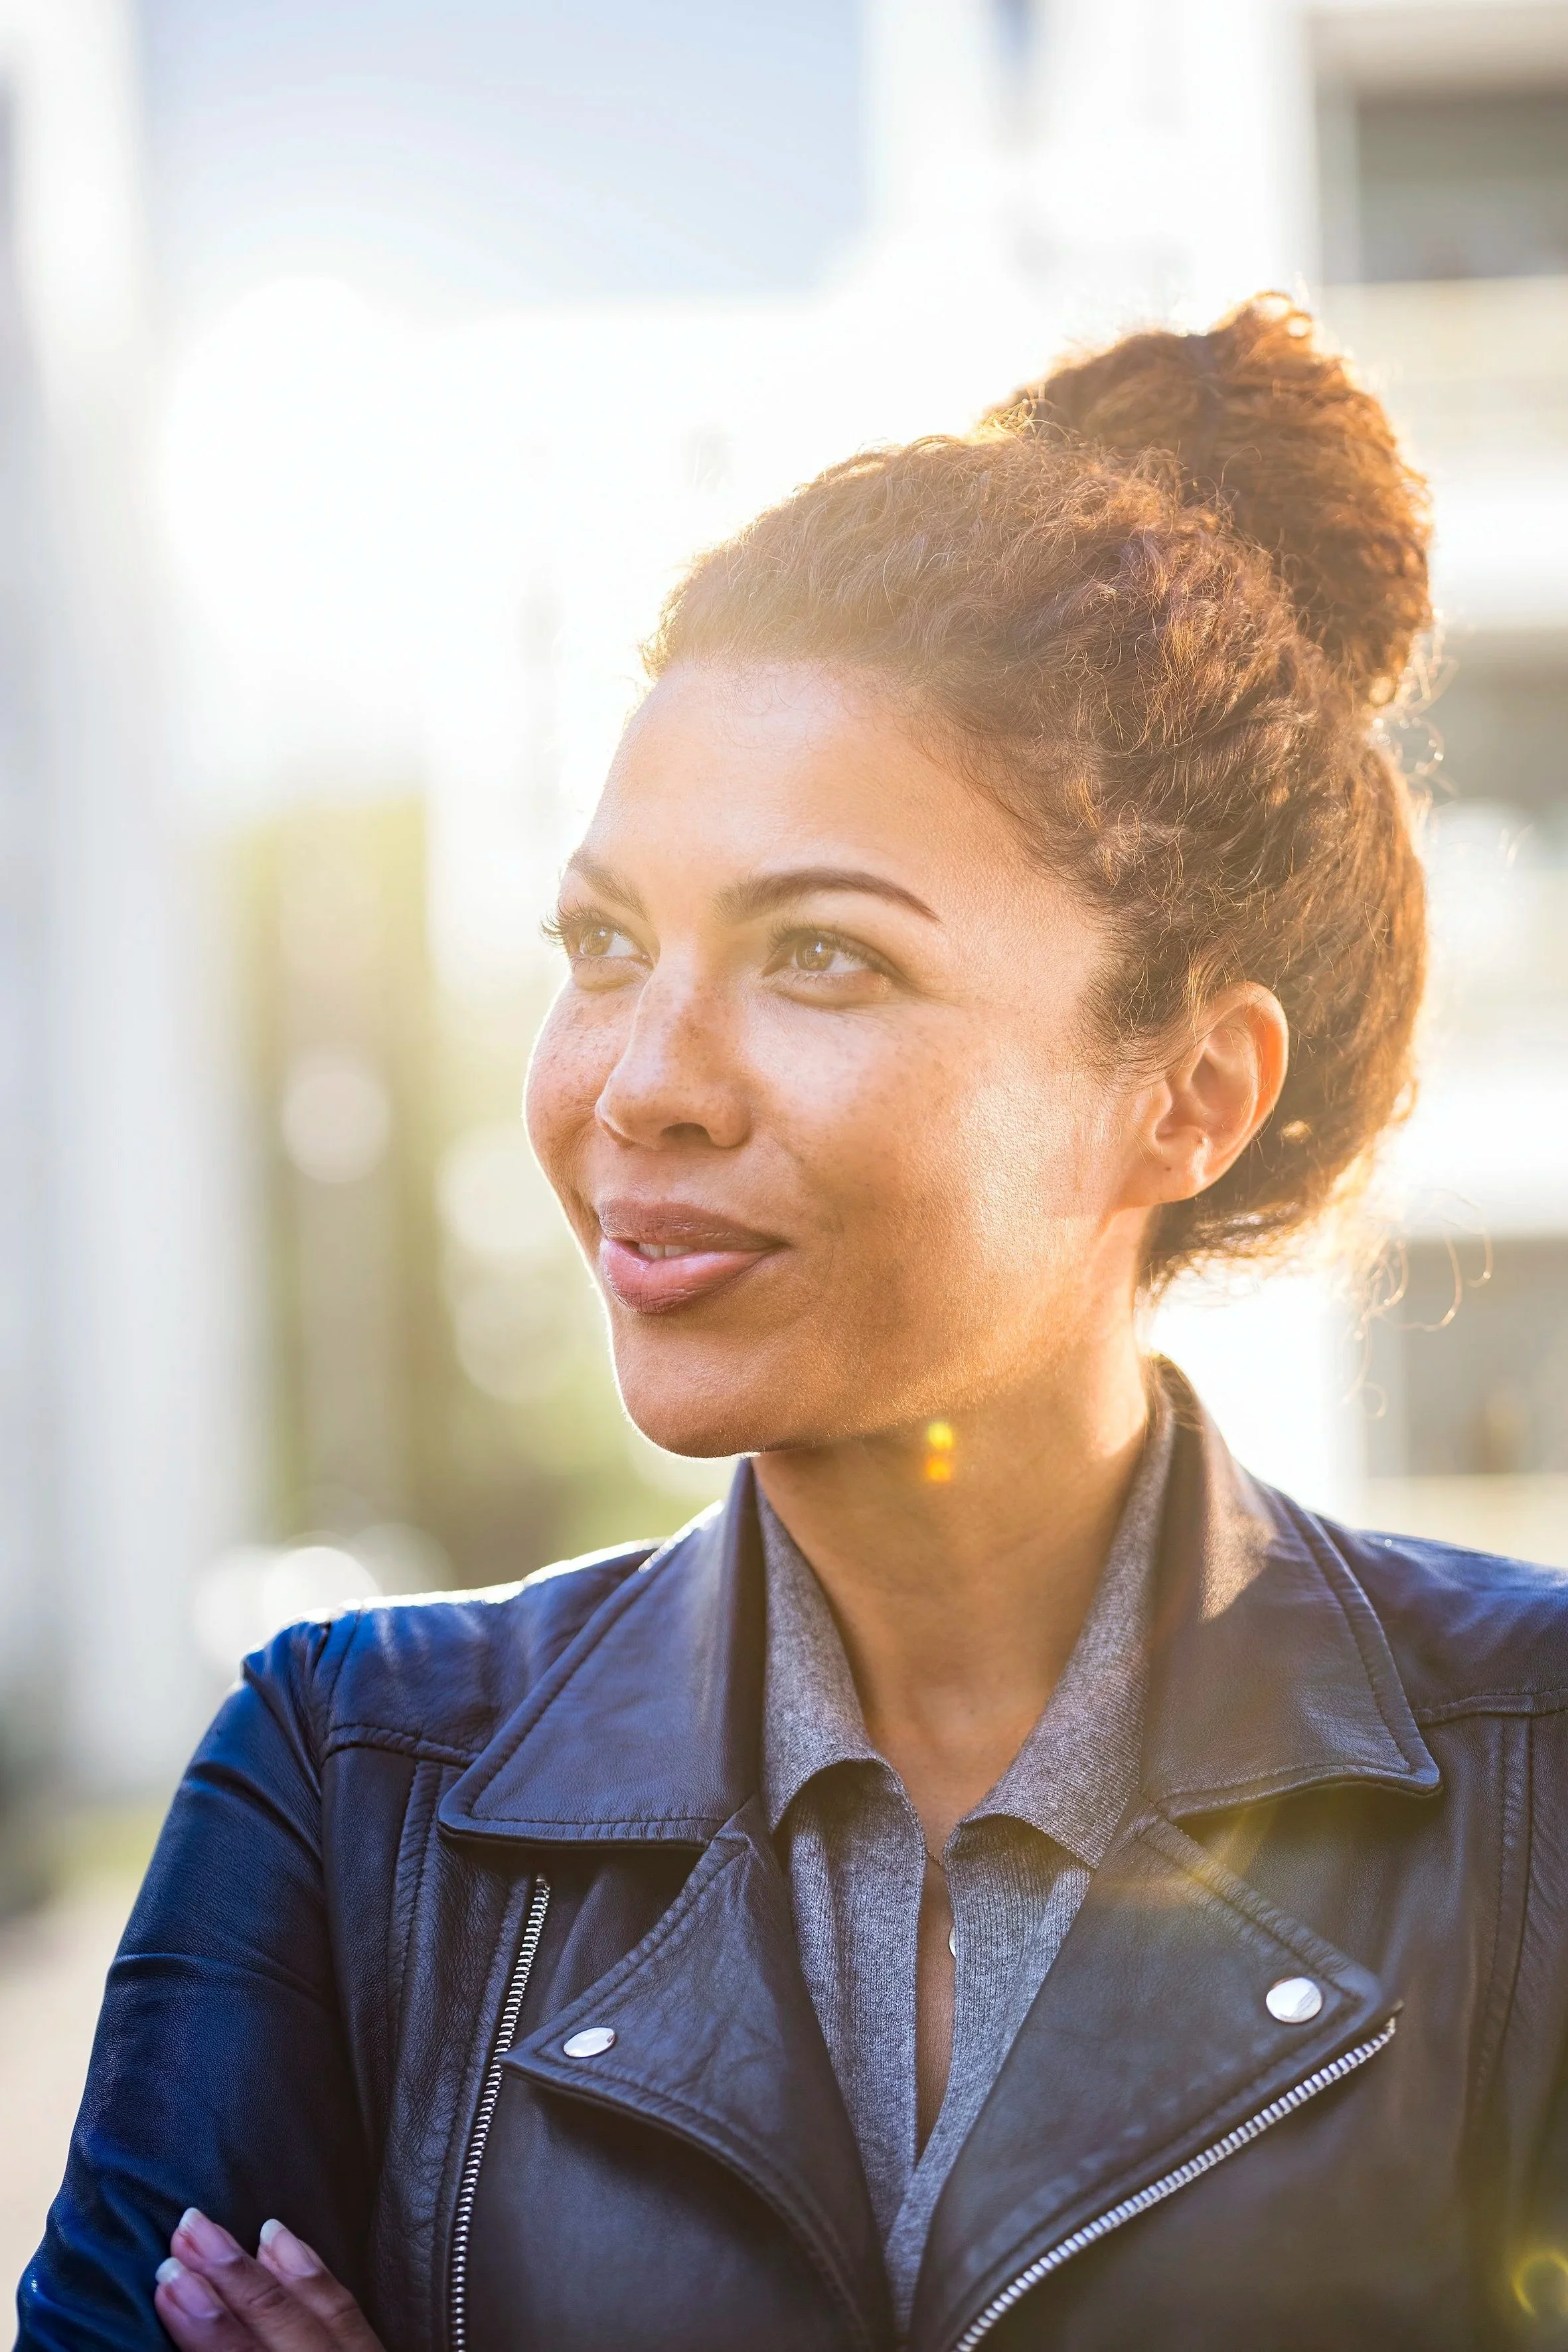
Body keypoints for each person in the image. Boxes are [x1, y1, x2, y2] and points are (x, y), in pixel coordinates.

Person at [19, 295, 1568, 2352]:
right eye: (605, 942)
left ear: (1190, 1089)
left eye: (822, 954)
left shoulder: (1538, 1786)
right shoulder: (345, 1787)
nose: (639, 1081)